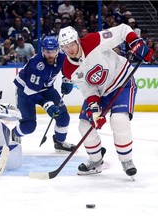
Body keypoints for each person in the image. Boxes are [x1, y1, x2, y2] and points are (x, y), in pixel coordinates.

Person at [58, 24, 153, 177]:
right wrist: (95, 110)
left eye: (71, 44)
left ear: (77, 40)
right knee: (84, 126)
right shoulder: (69, 68)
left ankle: (126, 160)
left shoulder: (92, 41)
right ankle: (95, 161)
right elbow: (88, 89)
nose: (69, 49)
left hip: (122, 81)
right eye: (65, 46)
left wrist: (136, 43)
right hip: (101, 93)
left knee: (119, 120)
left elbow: (122, 30)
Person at [12, 36, 76, 152]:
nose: (50, 55)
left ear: (58, 50)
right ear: (42, 50)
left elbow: (71, 65)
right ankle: (13, 134)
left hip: (46, 88)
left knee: (63, 116)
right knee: (29, 126)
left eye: (53, 51)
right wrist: (47, 104)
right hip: (25, 91)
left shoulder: (62, 57)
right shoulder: (36, 65)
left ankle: (59, 142)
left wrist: (67, 79)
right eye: (47, 52)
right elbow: (30, 92)